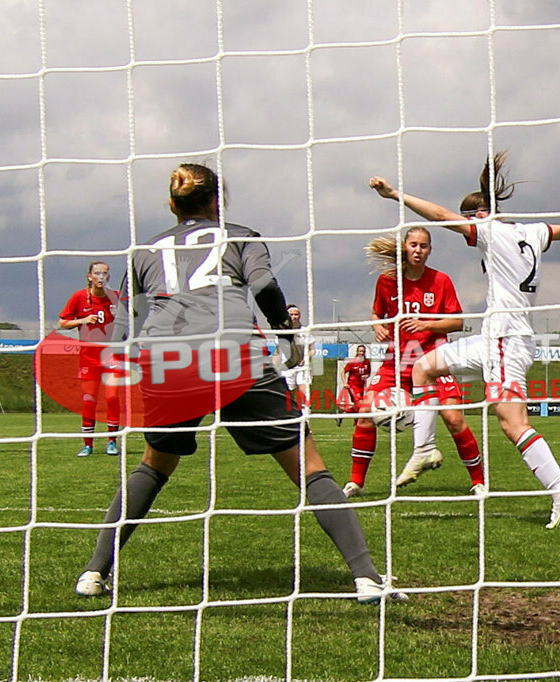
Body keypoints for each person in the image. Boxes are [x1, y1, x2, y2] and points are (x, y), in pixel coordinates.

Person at [74, 163, 404, 604]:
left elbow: (123, 319)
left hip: (166, 359)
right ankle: (366, 577)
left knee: (153, 465)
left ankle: (94, 573)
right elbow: (265, 284)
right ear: (218, 201)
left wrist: (124, 362)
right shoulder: (240, 234)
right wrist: (287, 337)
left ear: (173, 204)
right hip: (231, 352)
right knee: (309, 468)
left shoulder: (144, 250)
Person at [369, 150, 560, 528]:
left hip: (504, 340)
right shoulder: (531, 231)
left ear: (478, 216)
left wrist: (395, 194)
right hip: (495, 338)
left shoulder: (489, 230)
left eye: (469, 218)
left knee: (512, 424)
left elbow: (439, 215)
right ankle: (424, 448)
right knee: (422, 368)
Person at [342, 227, 486, 498]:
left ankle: (478, 482)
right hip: (396, 360)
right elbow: (377, 311)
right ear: (404, 247)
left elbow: (457, 321)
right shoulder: (388, 281)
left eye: (424, 246)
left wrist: (425, 323)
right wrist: (378, 326)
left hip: (433, 361)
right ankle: (355, 482)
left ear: (430, 250)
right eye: (413, 245)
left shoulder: (441, 280)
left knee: (454, 419)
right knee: (364, 413)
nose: (418, 250)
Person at [57, 261, 122, 457]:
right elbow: (61, 323)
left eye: (105, 273)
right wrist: (82, 320)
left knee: (111, 397)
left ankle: (112, 441)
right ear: (90, 276)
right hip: (88, 356)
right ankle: (88, 444)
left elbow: (131, 320)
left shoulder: (116, 298)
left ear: (108, 277)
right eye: (97, 273)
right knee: (89, 400)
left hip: (112, 354)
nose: (101, 276)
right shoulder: (79, 297)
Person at [275, 303, 315, 403]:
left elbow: (312, 349)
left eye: (296, 314)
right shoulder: (282, 332)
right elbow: (277, 352)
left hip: (302, 367)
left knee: (304, 391)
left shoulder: (305, 331)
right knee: (289, 393)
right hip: (287, 367)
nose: (294, 317)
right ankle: (291, 413)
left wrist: (305, 359)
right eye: (291, 314)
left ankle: (305, 414)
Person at [337, 344, 371, 426]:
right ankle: (357, 422)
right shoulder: (352, 362)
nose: (362, 353)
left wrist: (367, 376)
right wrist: (345, 382)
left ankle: (343, 414)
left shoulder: (367, 362)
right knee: (358, 403)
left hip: (361, 386)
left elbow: (368, 373)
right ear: (357, 352)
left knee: (359, 405)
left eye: (363, 351)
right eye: (360, 351)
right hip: (352, 385)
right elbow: (343, 372)